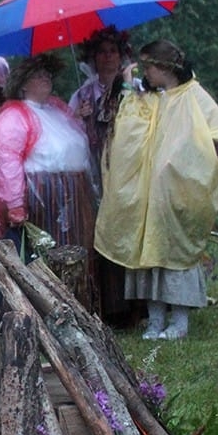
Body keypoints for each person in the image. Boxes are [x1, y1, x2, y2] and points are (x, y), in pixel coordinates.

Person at [95, 40, 218, 340]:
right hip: (148, 197)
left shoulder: (193, 95)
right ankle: (156, 318)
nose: (146, 72)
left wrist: (198, 159)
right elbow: (126, 131)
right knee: (149, 255)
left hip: (178, 194)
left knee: (176, 254)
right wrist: (129, 91)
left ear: (165, 68)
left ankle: (180, 322)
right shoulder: (150, 98)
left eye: (149, 66)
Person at [0, 53, 97, 293]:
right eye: (38, 75)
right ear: (23, 83)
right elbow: (7, 161)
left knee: (74, 250)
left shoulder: (58, 108)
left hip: (75, 194)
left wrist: (80, 118)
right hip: (44, 197)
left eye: (47, 75)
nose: (45, 79)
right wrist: (15, 204)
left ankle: (79, 298)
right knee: (48, 252)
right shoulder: (13, 117)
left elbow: (72, 143)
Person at [69, 26, 137, 325]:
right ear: (92, 57)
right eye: (101, 52)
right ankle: (107, 306)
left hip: (128, 169)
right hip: (96, 173)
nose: (108, 58)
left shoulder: (135, 88)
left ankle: (136, 305)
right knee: (100, 234)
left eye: (113, 52)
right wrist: (79, 118)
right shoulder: (82, 94)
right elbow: (70, 137)